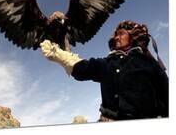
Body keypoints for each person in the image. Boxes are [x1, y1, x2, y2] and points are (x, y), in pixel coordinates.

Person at [40, 20, 168, 121]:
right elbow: (83, 68)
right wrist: (60, 55)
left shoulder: (149, 63)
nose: (116, 37)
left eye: (121, 33)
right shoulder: (107, 63)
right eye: (116, 34)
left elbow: (167, 94)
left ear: (133, 36)